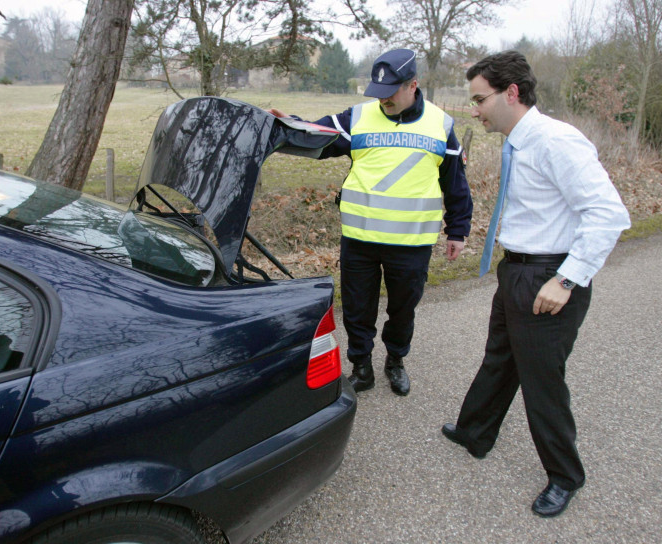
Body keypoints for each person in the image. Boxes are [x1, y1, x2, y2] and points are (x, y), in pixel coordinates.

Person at [441, 51, 630, 517]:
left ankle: (565, 476)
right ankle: (475, 433)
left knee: (542, 382)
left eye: (480, 99)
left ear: (512, 93)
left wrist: (566, 280)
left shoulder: (556, 142)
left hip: (550, 277)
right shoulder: (517, 142)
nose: (474, 109)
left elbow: (608, 214)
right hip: (519, 270)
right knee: (500, 359)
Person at [269, 49, 472, 396]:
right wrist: (283, 124)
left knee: (402, 310)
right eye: (377, 92)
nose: (383, 100)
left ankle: (395, 360)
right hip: (360, 240)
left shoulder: (441, 125)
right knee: (358, 309)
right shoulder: (358, 118)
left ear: (413, 85)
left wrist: (458, 230)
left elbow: (455, 183)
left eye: (390, 92)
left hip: (411, 244)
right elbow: (315, 134)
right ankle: (361, 366)